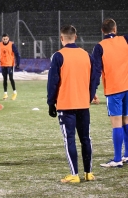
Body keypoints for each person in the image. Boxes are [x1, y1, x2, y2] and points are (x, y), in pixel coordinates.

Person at [47, 25, 98, 183]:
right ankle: (88, 173)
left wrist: (51, 102)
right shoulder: (87, 55)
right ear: (75, 37)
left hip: (66, 105)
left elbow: (53, 82)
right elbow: (94, 80)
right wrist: (88, 97)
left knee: (70, 139)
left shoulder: (58, 56)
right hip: (83, 104)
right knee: (85, 139)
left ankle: (74, 175)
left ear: (61, 38)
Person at [92, 18, 128, 168]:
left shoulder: (99, 47)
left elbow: (96, 71)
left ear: (102, 31)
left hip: (114, 89)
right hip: (127, 86)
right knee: (126, 120)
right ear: (115, 29)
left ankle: (117, 159)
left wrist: (92, 91)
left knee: (116, 124)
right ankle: (126, 155)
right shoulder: (125, 40)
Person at [0, 33, 21, 100]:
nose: (5, 40)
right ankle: (5, 93)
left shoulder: (12, 45)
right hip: (3, 64)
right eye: (4, 39)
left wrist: (18, 63)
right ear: (2, 39)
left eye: (6, 39)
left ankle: (14, 92)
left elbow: (17, 54)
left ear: (8, 38)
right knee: (4, 79)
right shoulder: (0, 44)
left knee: (11, 78)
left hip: (10, 64)